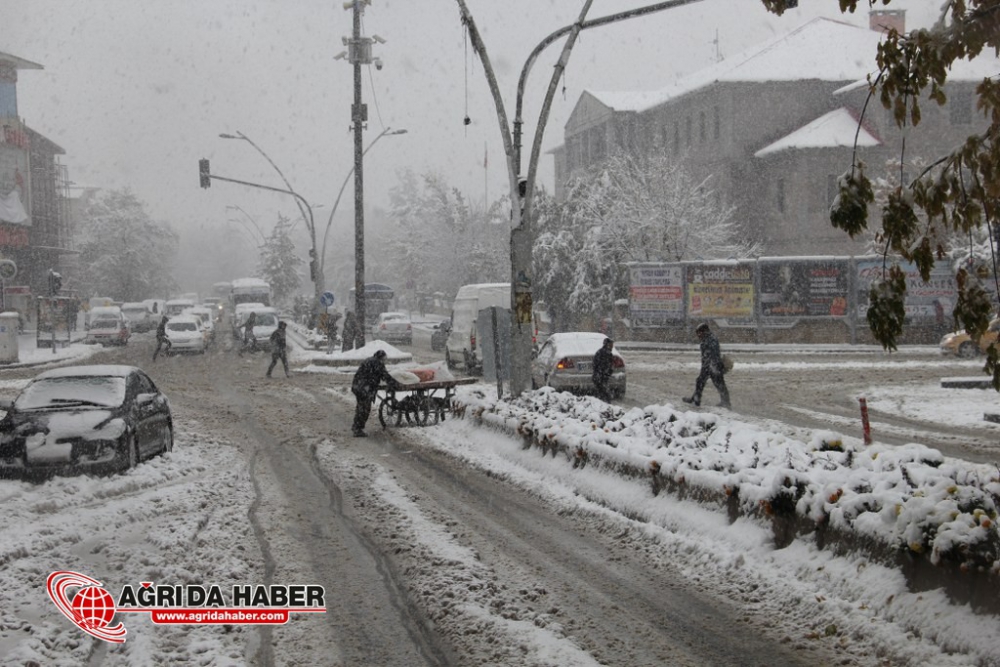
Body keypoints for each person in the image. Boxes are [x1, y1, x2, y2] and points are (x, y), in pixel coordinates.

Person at [351, 349, 402, 437]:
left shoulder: (370, 360)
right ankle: (357, 428)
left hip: (358, 386)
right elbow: (385, 375)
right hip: (364, 388)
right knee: (364, 409)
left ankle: (356, 427)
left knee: (361, 408)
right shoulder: (377, 363)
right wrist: (395, 383)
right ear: (381, 358)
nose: (384, 361)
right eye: (384, 359)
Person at [683, 322, 731, 408]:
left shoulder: (710, 339)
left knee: (719, 384)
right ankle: (696, 399)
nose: (698, 335)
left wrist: (712, 366)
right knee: (701, 382)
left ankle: (725, 402)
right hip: (709, 366)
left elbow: (712, 354)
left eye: (699, 333)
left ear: (704, 331)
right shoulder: (707, 339)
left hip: (713, 366)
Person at [592, 337, 615, 402]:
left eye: (612, 345)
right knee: (604, 394)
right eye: (611, 345)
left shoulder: (604, 352)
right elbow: (600, 365)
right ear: (607, 345)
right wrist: (606, 372)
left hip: (600, 377)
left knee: (602, 393)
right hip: (600, 377)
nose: (612, 346)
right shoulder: (604, 353)